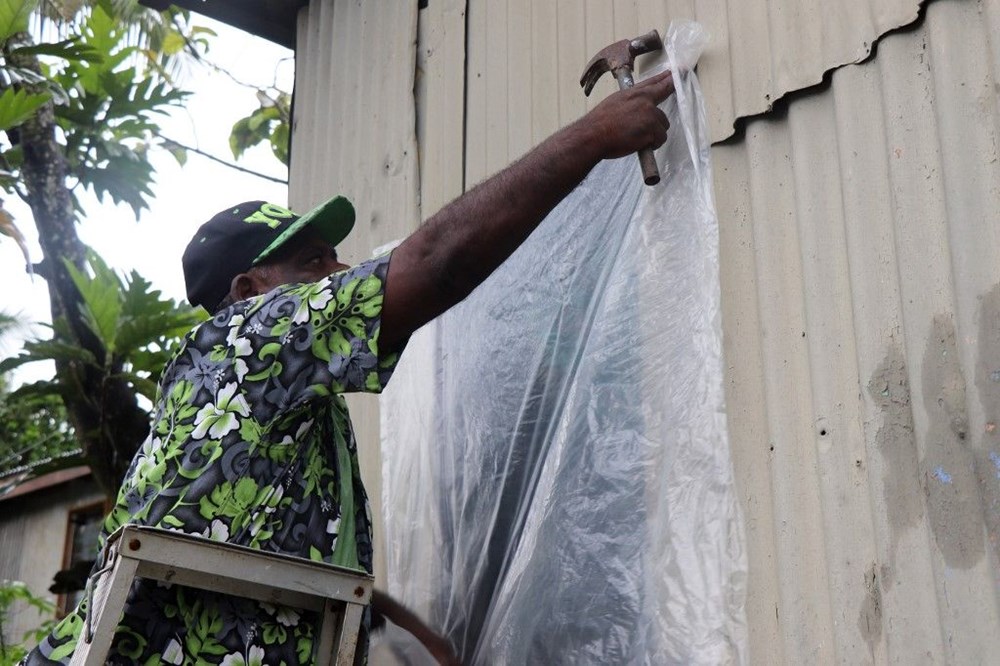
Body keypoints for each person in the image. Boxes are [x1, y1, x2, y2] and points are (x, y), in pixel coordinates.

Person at [23, 70, 674, 665]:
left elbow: (257, 561)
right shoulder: (249, 334)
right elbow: (439, 259)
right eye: (311, 262)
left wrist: (404, 627)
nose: (338, 273)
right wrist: (594, 135)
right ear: (248, 289)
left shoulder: (260, 398)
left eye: (334, 257)